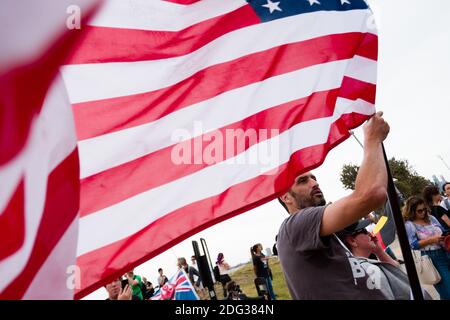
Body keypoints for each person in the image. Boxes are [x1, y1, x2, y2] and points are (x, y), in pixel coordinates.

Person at [277, 112, 402, 299]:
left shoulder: (316, 229)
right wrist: (372, 139)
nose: (314, 183)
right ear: (286, 197)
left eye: (314, 177)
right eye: (303, 181)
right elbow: (370, 195)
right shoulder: (295, 225)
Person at [403, 196, 450, 300]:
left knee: (446, 290)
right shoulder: (410, 225)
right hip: (432, 257)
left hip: (446, 251)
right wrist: (431, 240)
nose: (423, 212)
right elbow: (412, 245)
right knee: (447, 289)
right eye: (419, 211)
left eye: (424, 209)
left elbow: (442, 230)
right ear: (412, 211)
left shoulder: (431, 218)